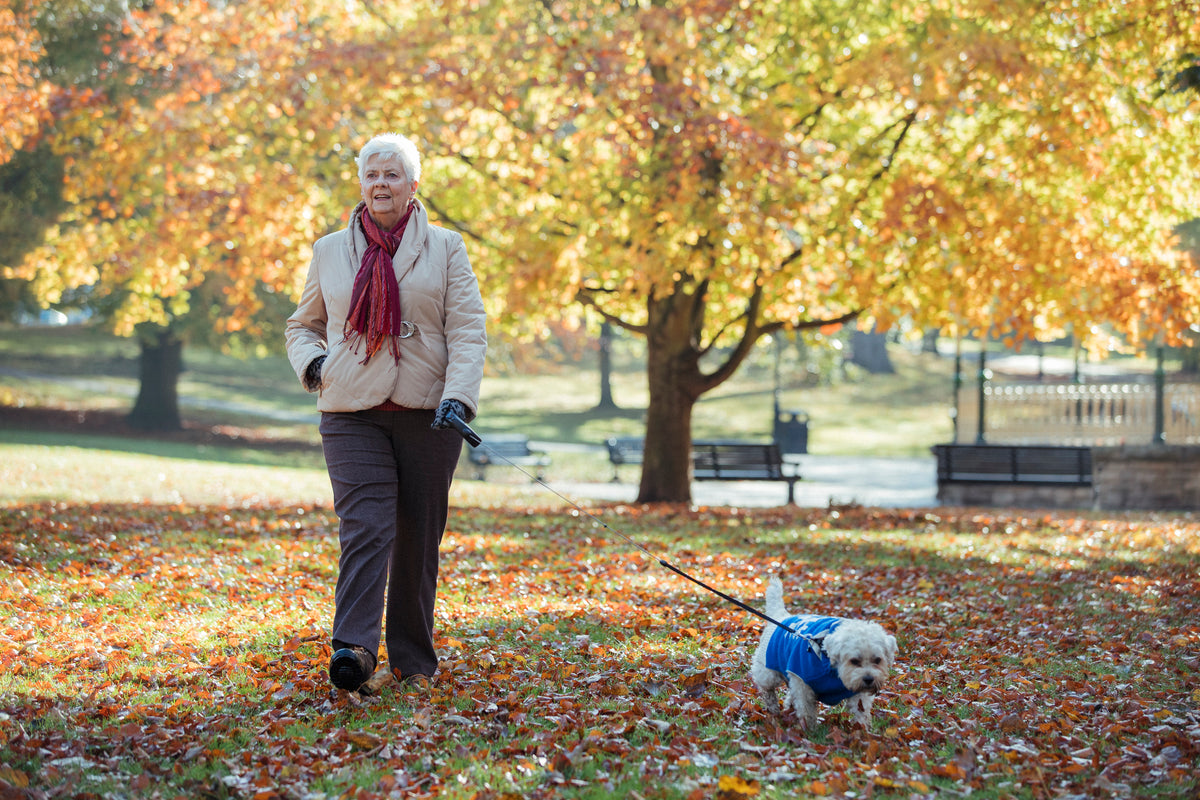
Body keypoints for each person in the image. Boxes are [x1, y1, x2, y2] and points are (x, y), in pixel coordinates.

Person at [285, 132, 487, 691]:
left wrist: (459, 395)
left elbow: (468, 330)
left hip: (430, 411)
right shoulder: (329, 250)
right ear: (361, 183)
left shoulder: (446, 247)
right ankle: (353, 648)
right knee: (366, 525)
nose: (381, 184)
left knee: (418, 536)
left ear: (413, 184)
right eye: (371, 175)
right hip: (351, 409)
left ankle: (412, 660)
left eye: (392, 174)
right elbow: (301, 325)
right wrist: (317, 367)